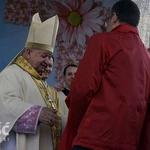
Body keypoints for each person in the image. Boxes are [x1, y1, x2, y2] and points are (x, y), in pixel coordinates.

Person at [58, 0, 150, 150]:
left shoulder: (103, 41)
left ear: (114, 18)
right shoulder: (146, 56)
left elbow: (82, 89)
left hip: (95, 137)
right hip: (129, 142)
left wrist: (75, 126)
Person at [0, 13, 61, 150]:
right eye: (44, 56)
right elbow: (4, 104)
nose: (47, 61)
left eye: (50, 57)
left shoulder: (44, 85)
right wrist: (37, 113)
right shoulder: (11, 74)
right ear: (28, 53)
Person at [57, 64, 78, 133]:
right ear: (64, 77)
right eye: (69, 74)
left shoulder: (86, 98)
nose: (73, 77)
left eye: (76, 74)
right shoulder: (56, 97)